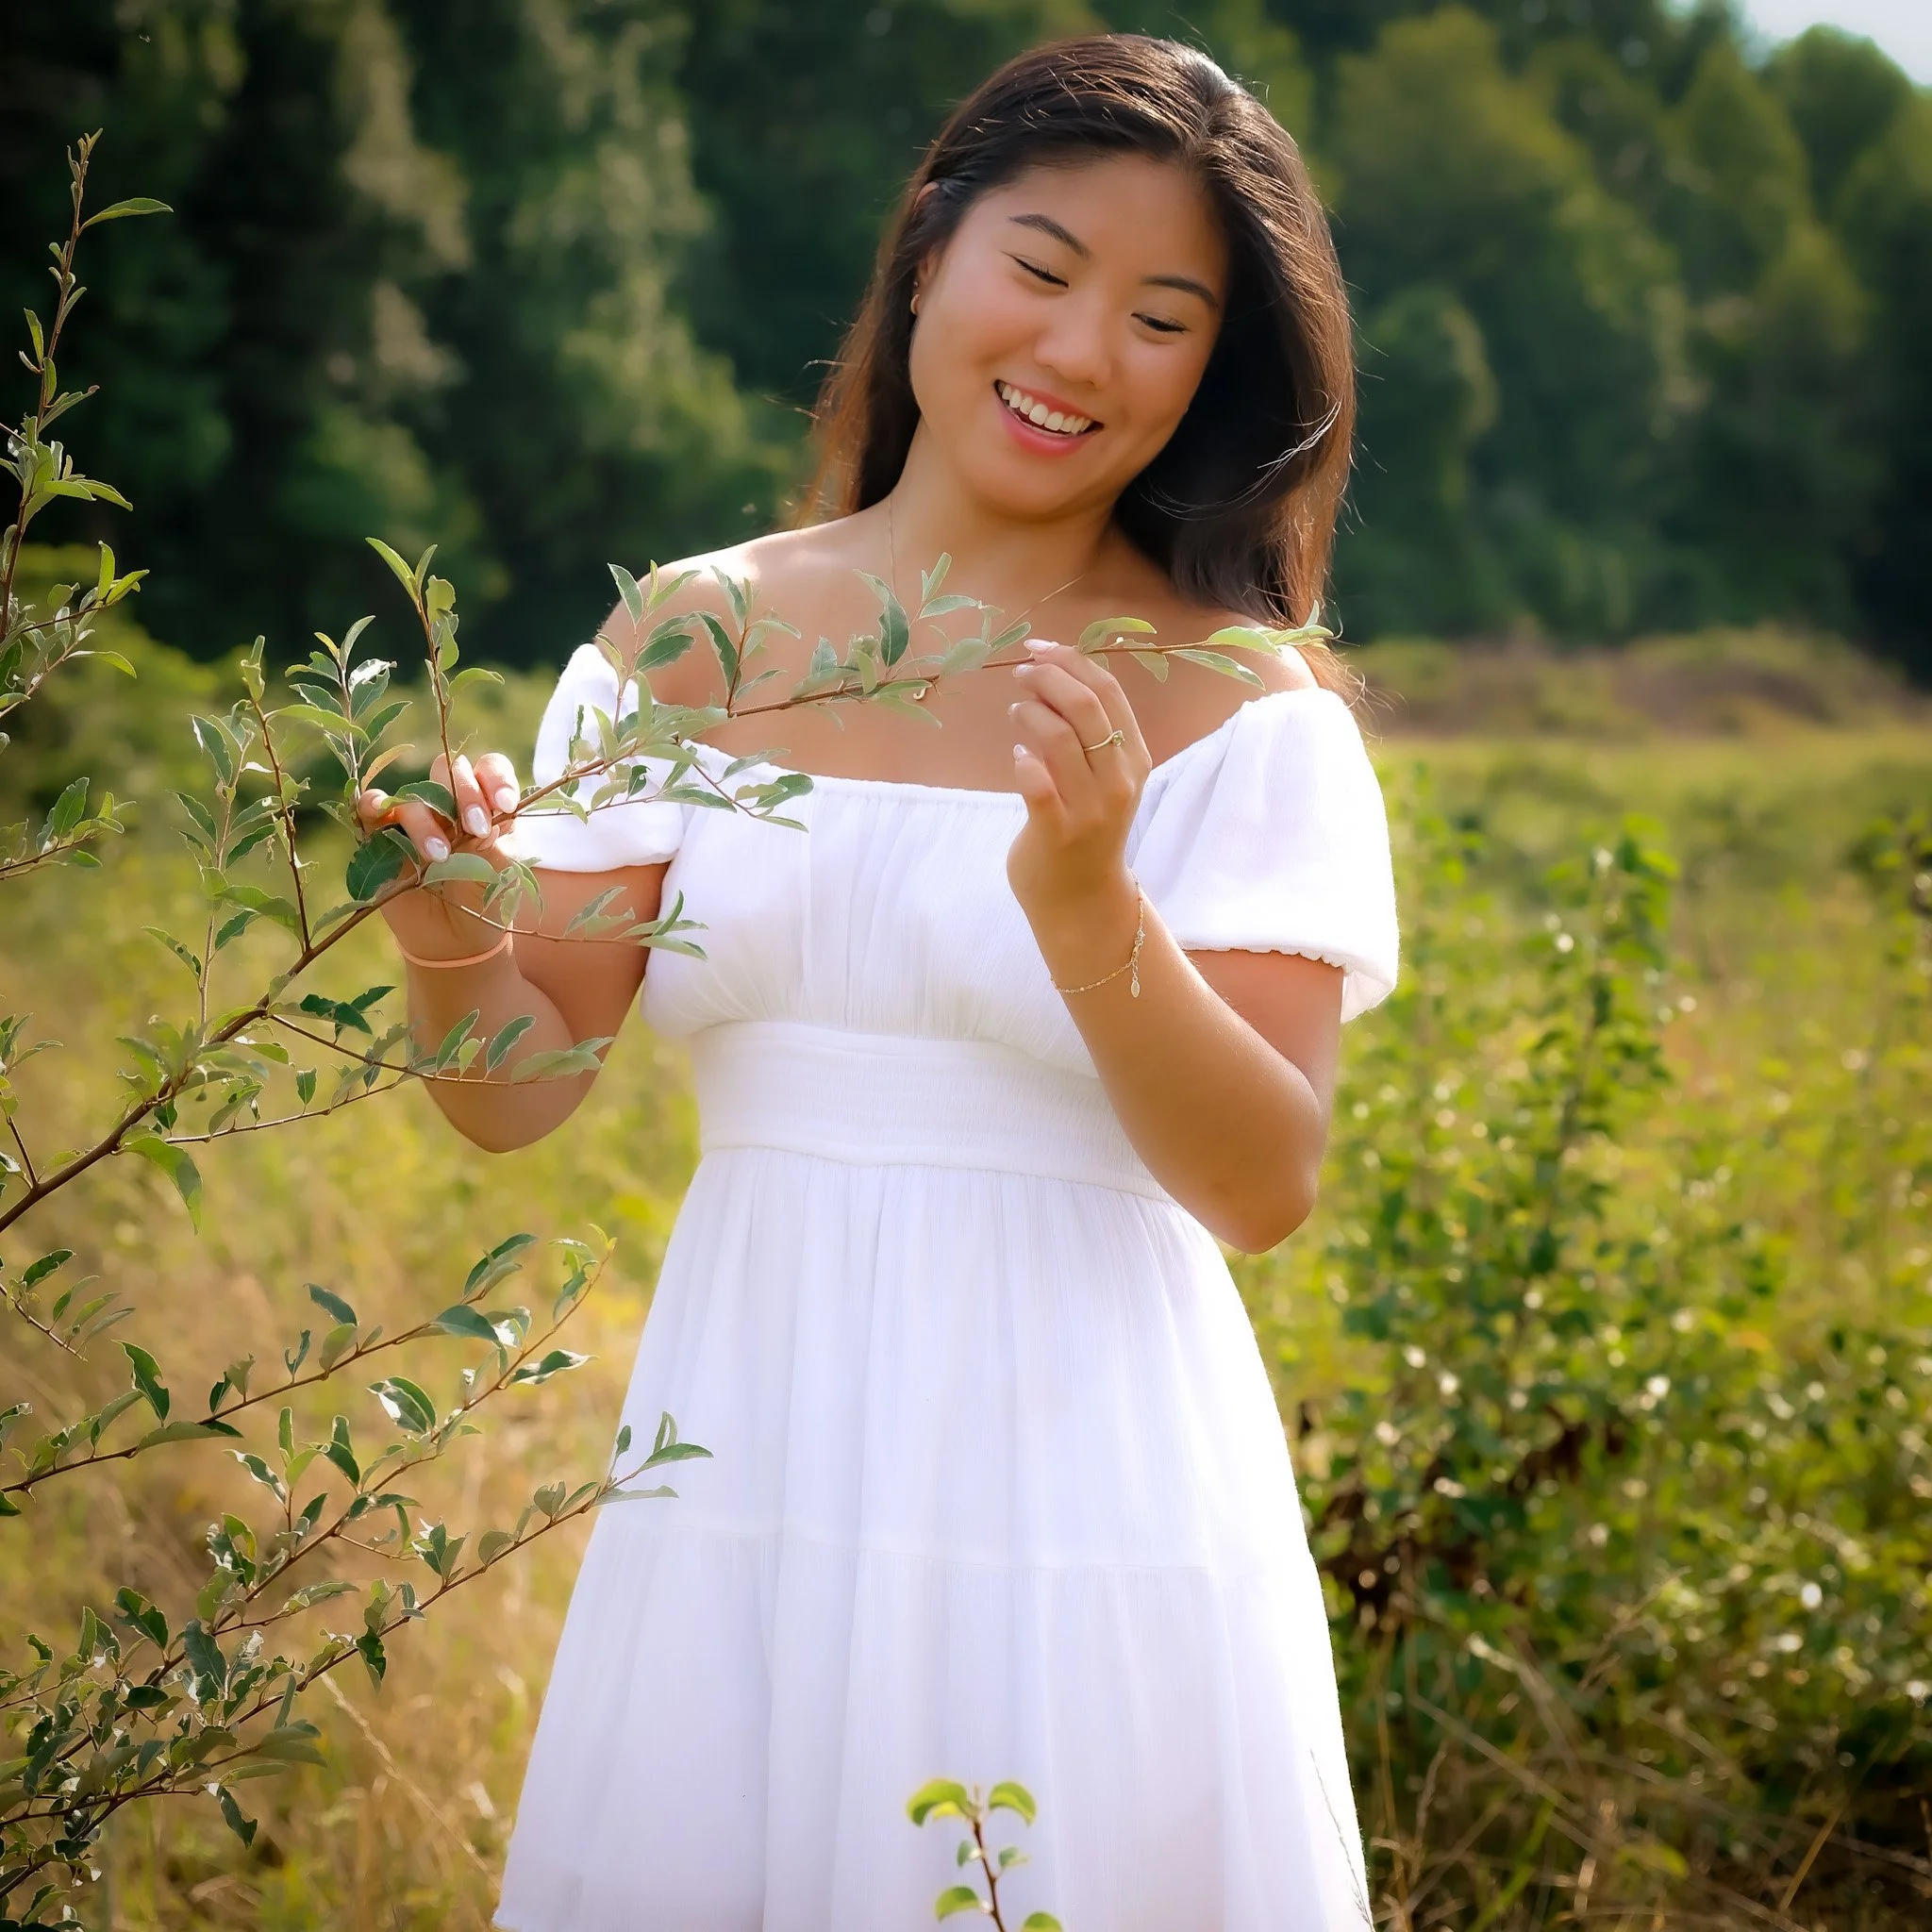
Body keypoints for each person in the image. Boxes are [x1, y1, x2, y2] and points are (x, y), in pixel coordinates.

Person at [357, 32, 1397, 1931]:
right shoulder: (690, 637)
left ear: (1210, 377)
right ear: (930, 256)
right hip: (745, 1453)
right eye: (1043, 265)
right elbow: (511, 1095)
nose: (1082, 352)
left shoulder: (1245, 706)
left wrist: (1088, 909)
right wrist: (447, 928)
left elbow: (1262, 1182)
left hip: (1087, 1485)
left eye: (1164, 318)